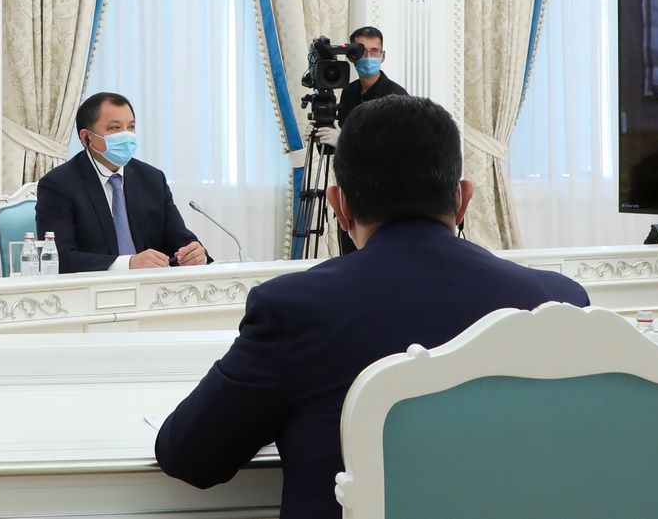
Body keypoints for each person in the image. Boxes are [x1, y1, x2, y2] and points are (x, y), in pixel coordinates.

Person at [153, 96, 589, 519]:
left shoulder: (293, 308)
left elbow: (189, 456)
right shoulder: (560, 303)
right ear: (462, 199)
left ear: (339, 205)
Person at [35, 93, 206, 273]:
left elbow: (179, 239)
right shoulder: (59, 185)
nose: (126, 135)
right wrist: (128, 264)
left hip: (152, 286)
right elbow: (59, 258)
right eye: (115, 128)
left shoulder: (152, 179)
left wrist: (193, 253)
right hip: (94, 287)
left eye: (131, 127)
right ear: (86, 137)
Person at [320, 26, 407, 253]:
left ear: (383, 56)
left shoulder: (396, 97)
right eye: (362, 51)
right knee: (350, 257)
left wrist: (346, 141)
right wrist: (324, 135)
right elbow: (340, 141)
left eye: (374, 51)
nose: (369, 57)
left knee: (380, 257)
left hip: (385, 198)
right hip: (351, 192)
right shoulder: (348, 93)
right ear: (352, 56)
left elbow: (398, 150)